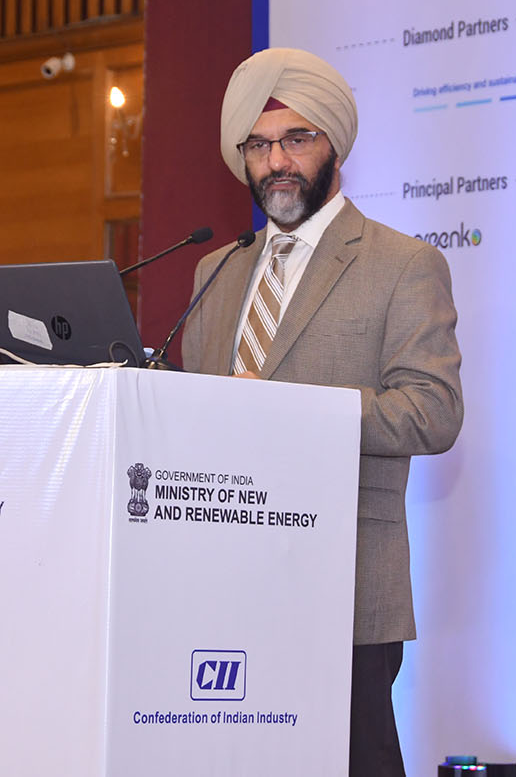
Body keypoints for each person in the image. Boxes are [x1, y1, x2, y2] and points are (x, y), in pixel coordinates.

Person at [181, 47, 464, 776]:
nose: (276, 162)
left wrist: (296, 414)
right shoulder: (216, 269)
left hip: (345, 584)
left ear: (334, 144)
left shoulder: (403, 264)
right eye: (257, 145)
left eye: (296, 139)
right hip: (218, 580)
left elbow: (433, 411)